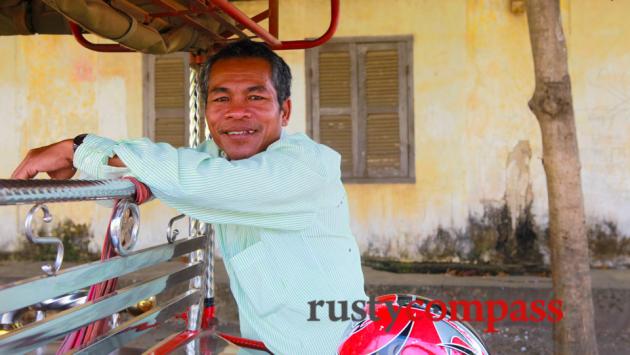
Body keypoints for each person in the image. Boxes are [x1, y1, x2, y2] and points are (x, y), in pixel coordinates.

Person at [11, 40, 367, 354]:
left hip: (338, 347)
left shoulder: (307, 166)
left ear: (284, 111)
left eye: (255, 97)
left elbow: (199, 180)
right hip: (267, 345)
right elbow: (140, 182)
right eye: (221, 97)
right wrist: (91, 164)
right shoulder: (218, 158)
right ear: (208, 110)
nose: (236, 111)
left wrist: (78, 148)